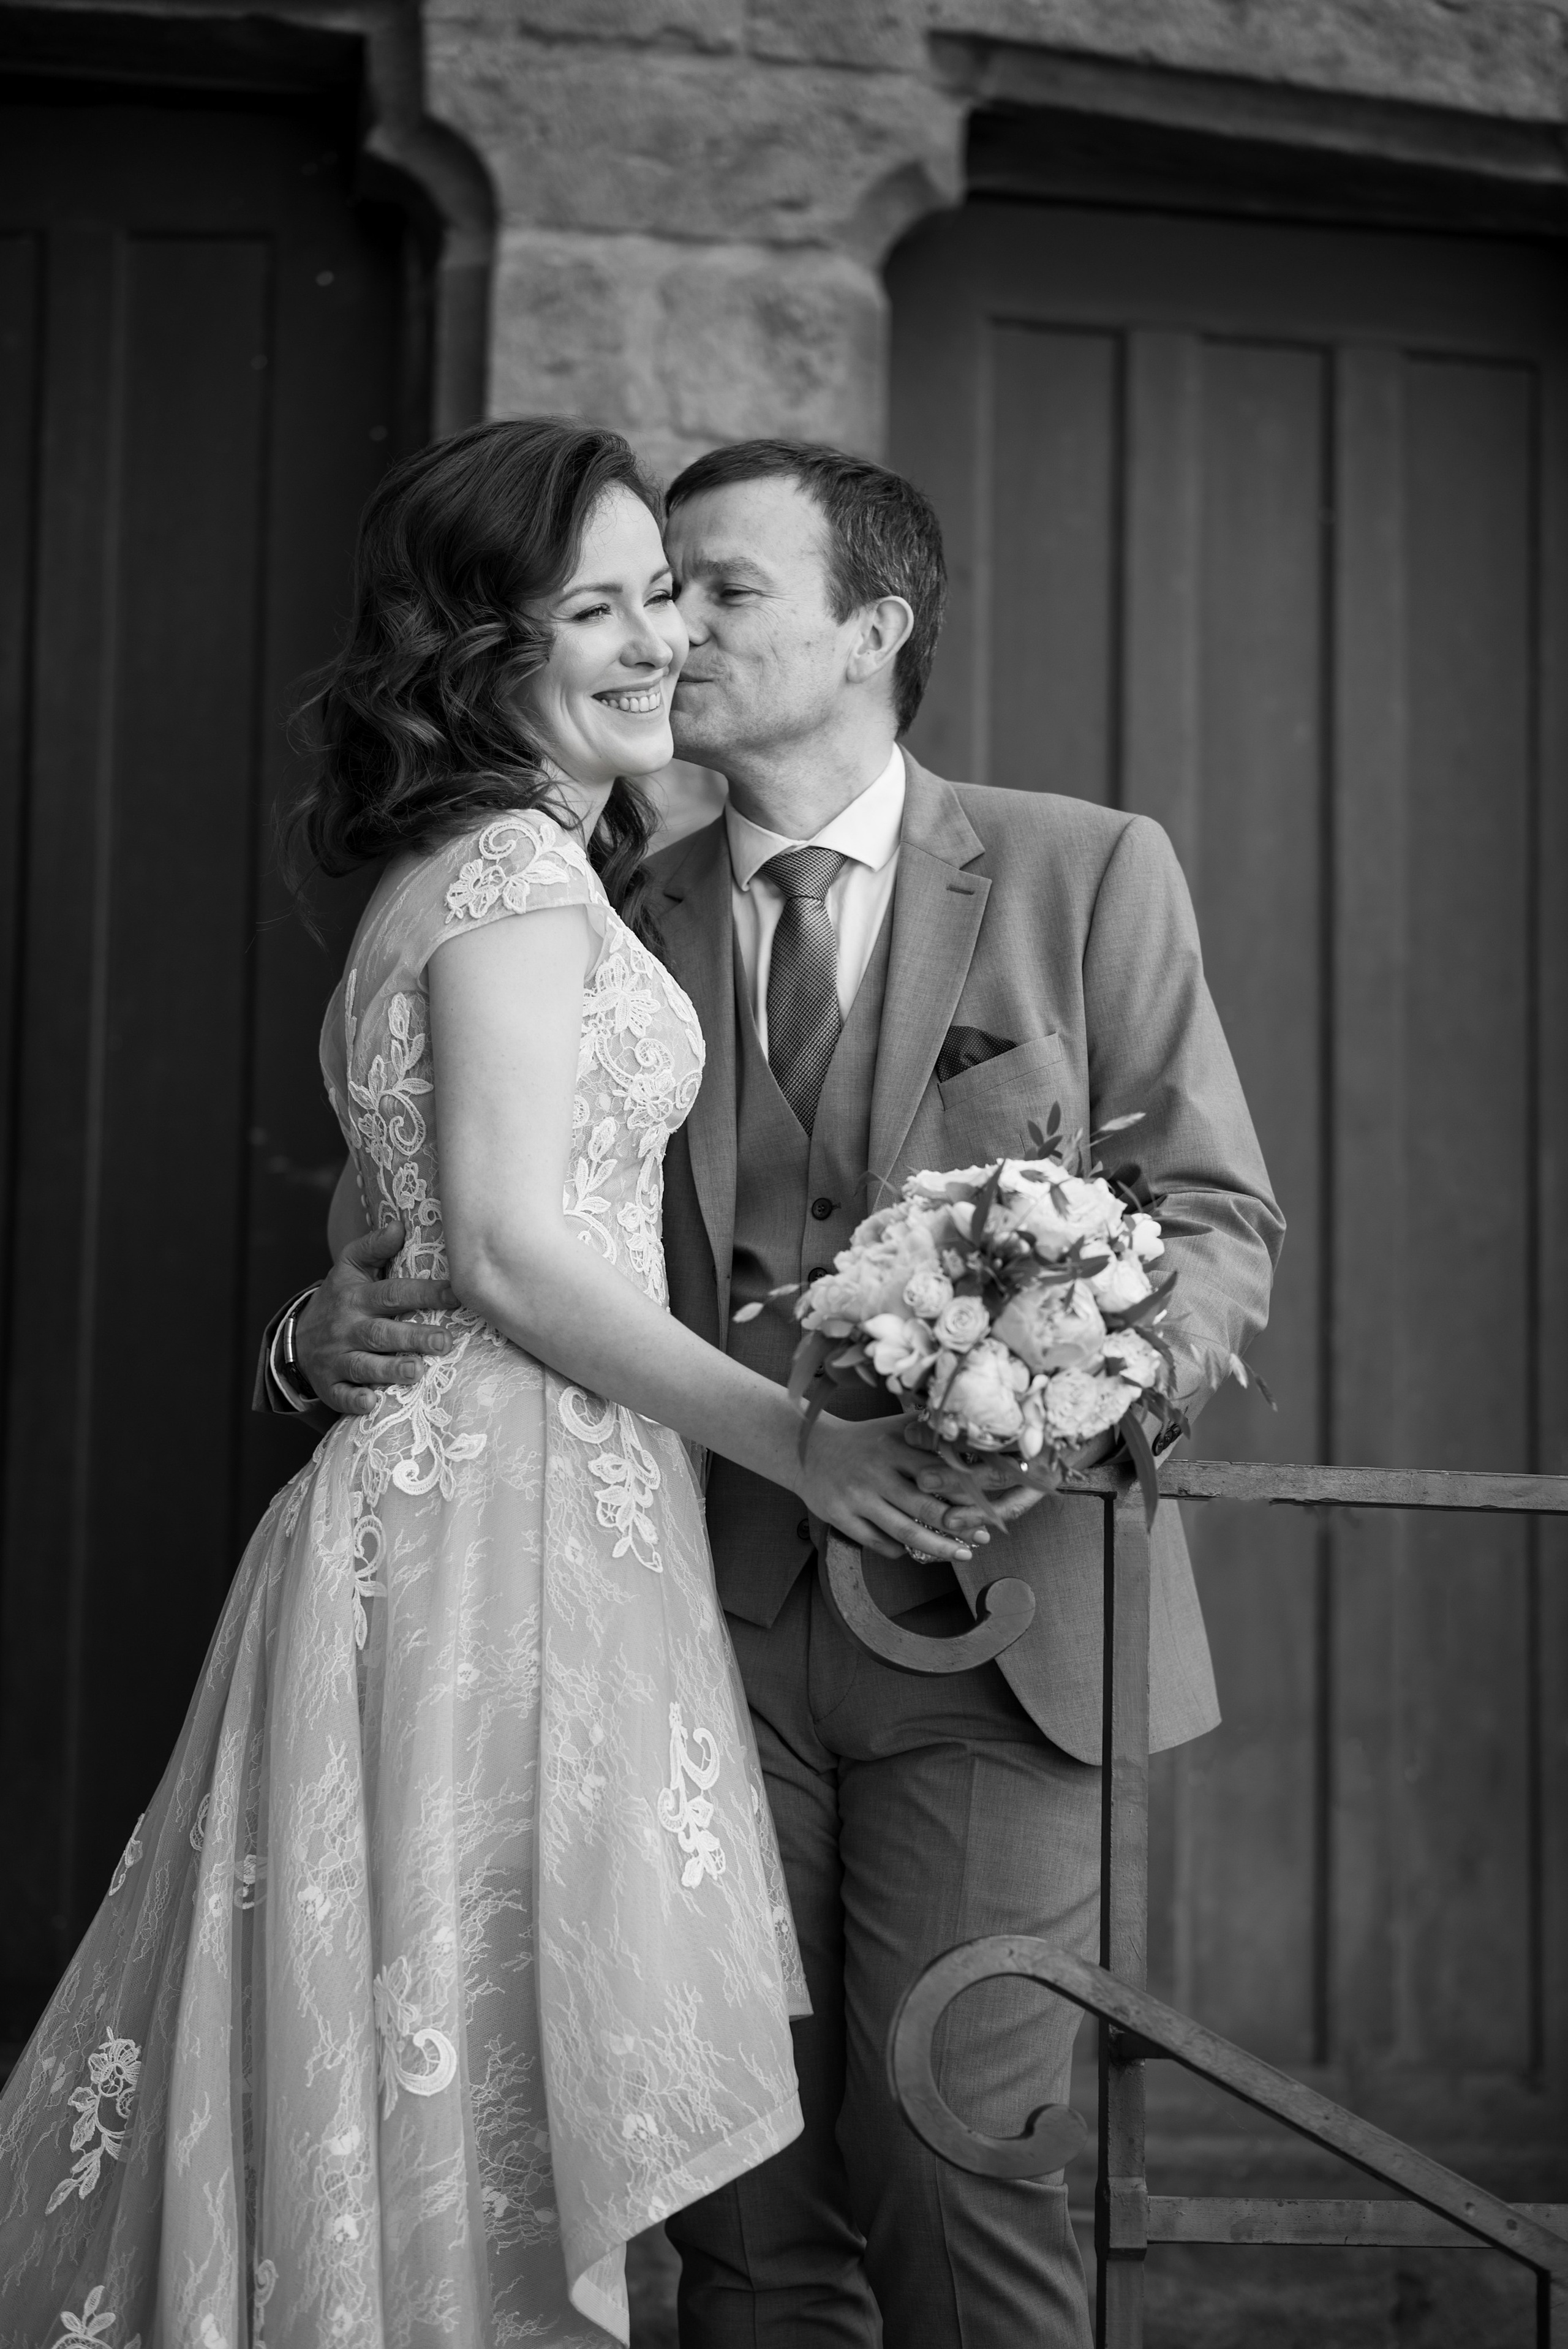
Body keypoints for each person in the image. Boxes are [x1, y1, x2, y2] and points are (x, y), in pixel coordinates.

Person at [264, 441, 1284, 2348]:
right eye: (645, 593)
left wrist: (1079, 1388)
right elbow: (424, 1216)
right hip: (684, 1620)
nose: (675, 631)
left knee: (966, 2158)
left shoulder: (1080, 866)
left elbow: (1216, 1218)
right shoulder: (588, 888)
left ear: (870, 628)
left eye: (720, 589)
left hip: (999, 1626)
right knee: (736, 2198)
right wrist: (308, 1336)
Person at [0, 421, 983, 2349]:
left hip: (498, 1507)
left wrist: (318, 1326)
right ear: (483, 646)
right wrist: (799, 1435)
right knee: (465, 2069)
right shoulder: (521, 872)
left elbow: (433, 1226)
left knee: (442, 2061)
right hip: (499, 1529)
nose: (659, 646)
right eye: (602, 606)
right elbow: (518, 1247)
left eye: (676, 601)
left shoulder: (476, 870)